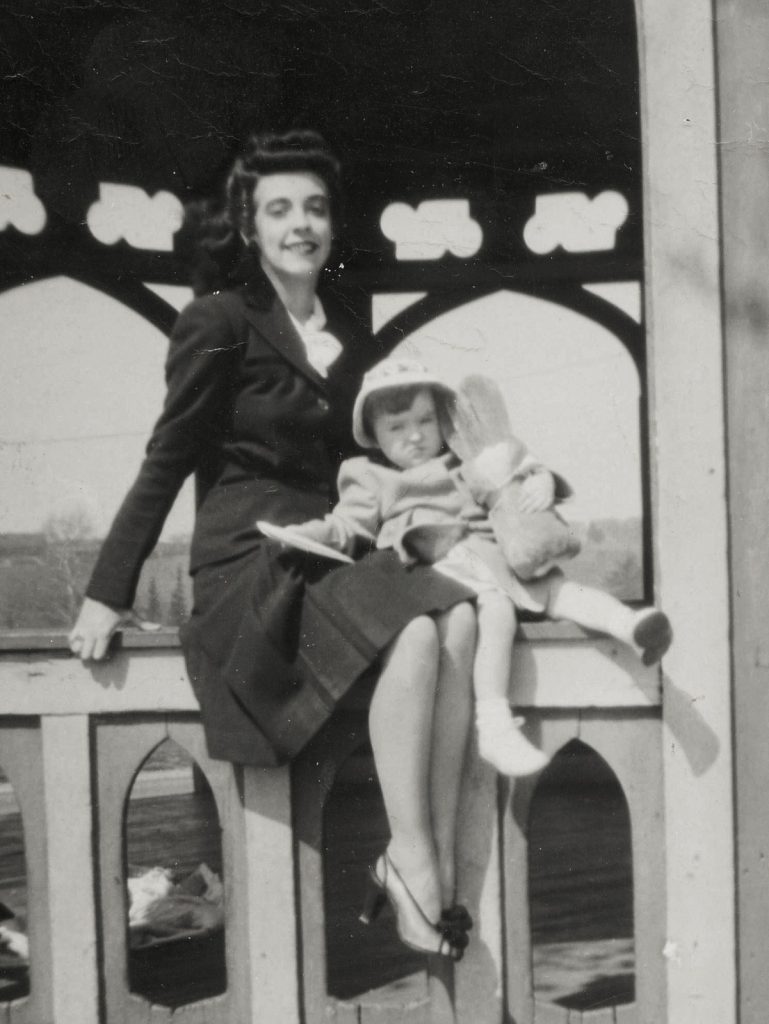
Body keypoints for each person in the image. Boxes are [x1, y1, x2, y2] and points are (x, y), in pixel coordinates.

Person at [68, 131, 476, 960]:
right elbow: (167, 457)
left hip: (334, 547)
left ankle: (418, 850)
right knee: (418, 628)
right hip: (249, 559)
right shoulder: (218, 320)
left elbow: (379, 456)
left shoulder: (349, 330)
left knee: (458, 623)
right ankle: (417, 863)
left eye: (316, 209)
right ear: (248, 228)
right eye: (279, 210)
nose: (301, 225)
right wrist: (108, 589)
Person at [277, 358, 673, 776]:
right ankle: (494, 723)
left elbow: (511, 471)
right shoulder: (372, 479)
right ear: (374, 435)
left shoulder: (466, 464)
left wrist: (542, 481)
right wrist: (308, 534)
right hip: (445, 563)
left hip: (497, 555)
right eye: (397, 427)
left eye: (425, 420)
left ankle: (632, 625)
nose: (415, 435)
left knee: (560, 590)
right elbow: (346, 524)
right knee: (497, 612)